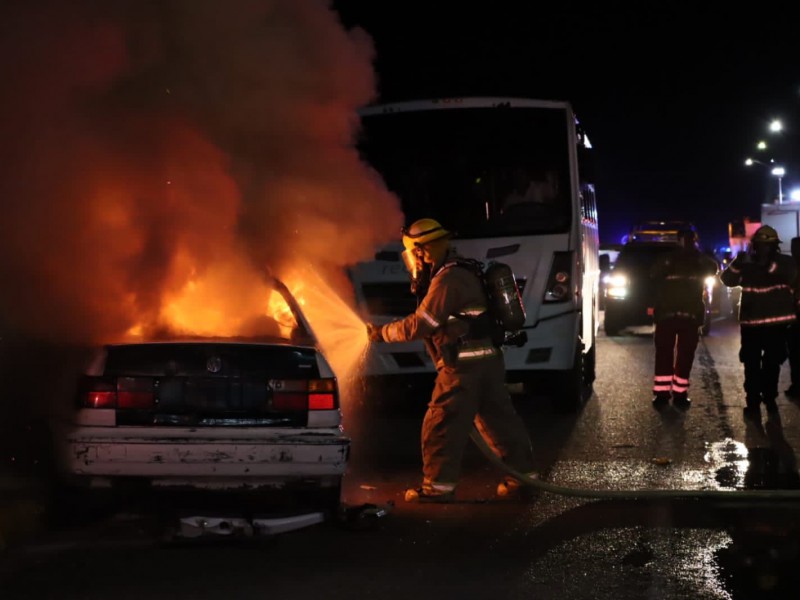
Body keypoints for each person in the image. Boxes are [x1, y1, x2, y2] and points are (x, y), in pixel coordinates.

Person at [366, 217, 536, 502]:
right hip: (488, 361)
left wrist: (381, 333)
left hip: (463, 366)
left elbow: (421, 324)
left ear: (422, 250)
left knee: (441, 423)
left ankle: (437, 488)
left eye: (413, 253)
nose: (413, 261)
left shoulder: (448, 280)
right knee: (499, 422)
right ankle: (523, 479)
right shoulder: (462, 270)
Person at [720, 225, 797, 420]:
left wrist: (763, 264)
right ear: (755, 245)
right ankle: (752, 401)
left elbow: (791, 276)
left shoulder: (785, 262)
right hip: (751, 324)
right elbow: (727, 279)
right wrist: (738, 263)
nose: (763, 249)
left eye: (767, 245)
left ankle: (769, 398)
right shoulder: (746, 264)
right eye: (760, 245)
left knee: (772, 364)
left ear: (774, 247)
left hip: (775, 325)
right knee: (751, 364)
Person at [649, 229, 719, 409]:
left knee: (683, 356)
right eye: (684, 240)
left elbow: (713, 269)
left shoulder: (698, 260)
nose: (686, 243)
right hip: (673, 315)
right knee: (668, 355)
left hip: (683, 316)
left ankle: (677, 394)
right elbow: (653, 274)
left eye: (689, 240)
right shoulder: (669, 259)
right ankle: (664, 394)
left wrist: (695, 255)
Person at [784, 236, 800, 398]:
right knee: (794, 355)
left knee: (795, 354)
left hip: (795, 318)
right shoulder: (791, 267)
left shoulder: (792, 267)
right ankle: (796, 385)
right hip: (793, 318)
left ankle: (797, 386)